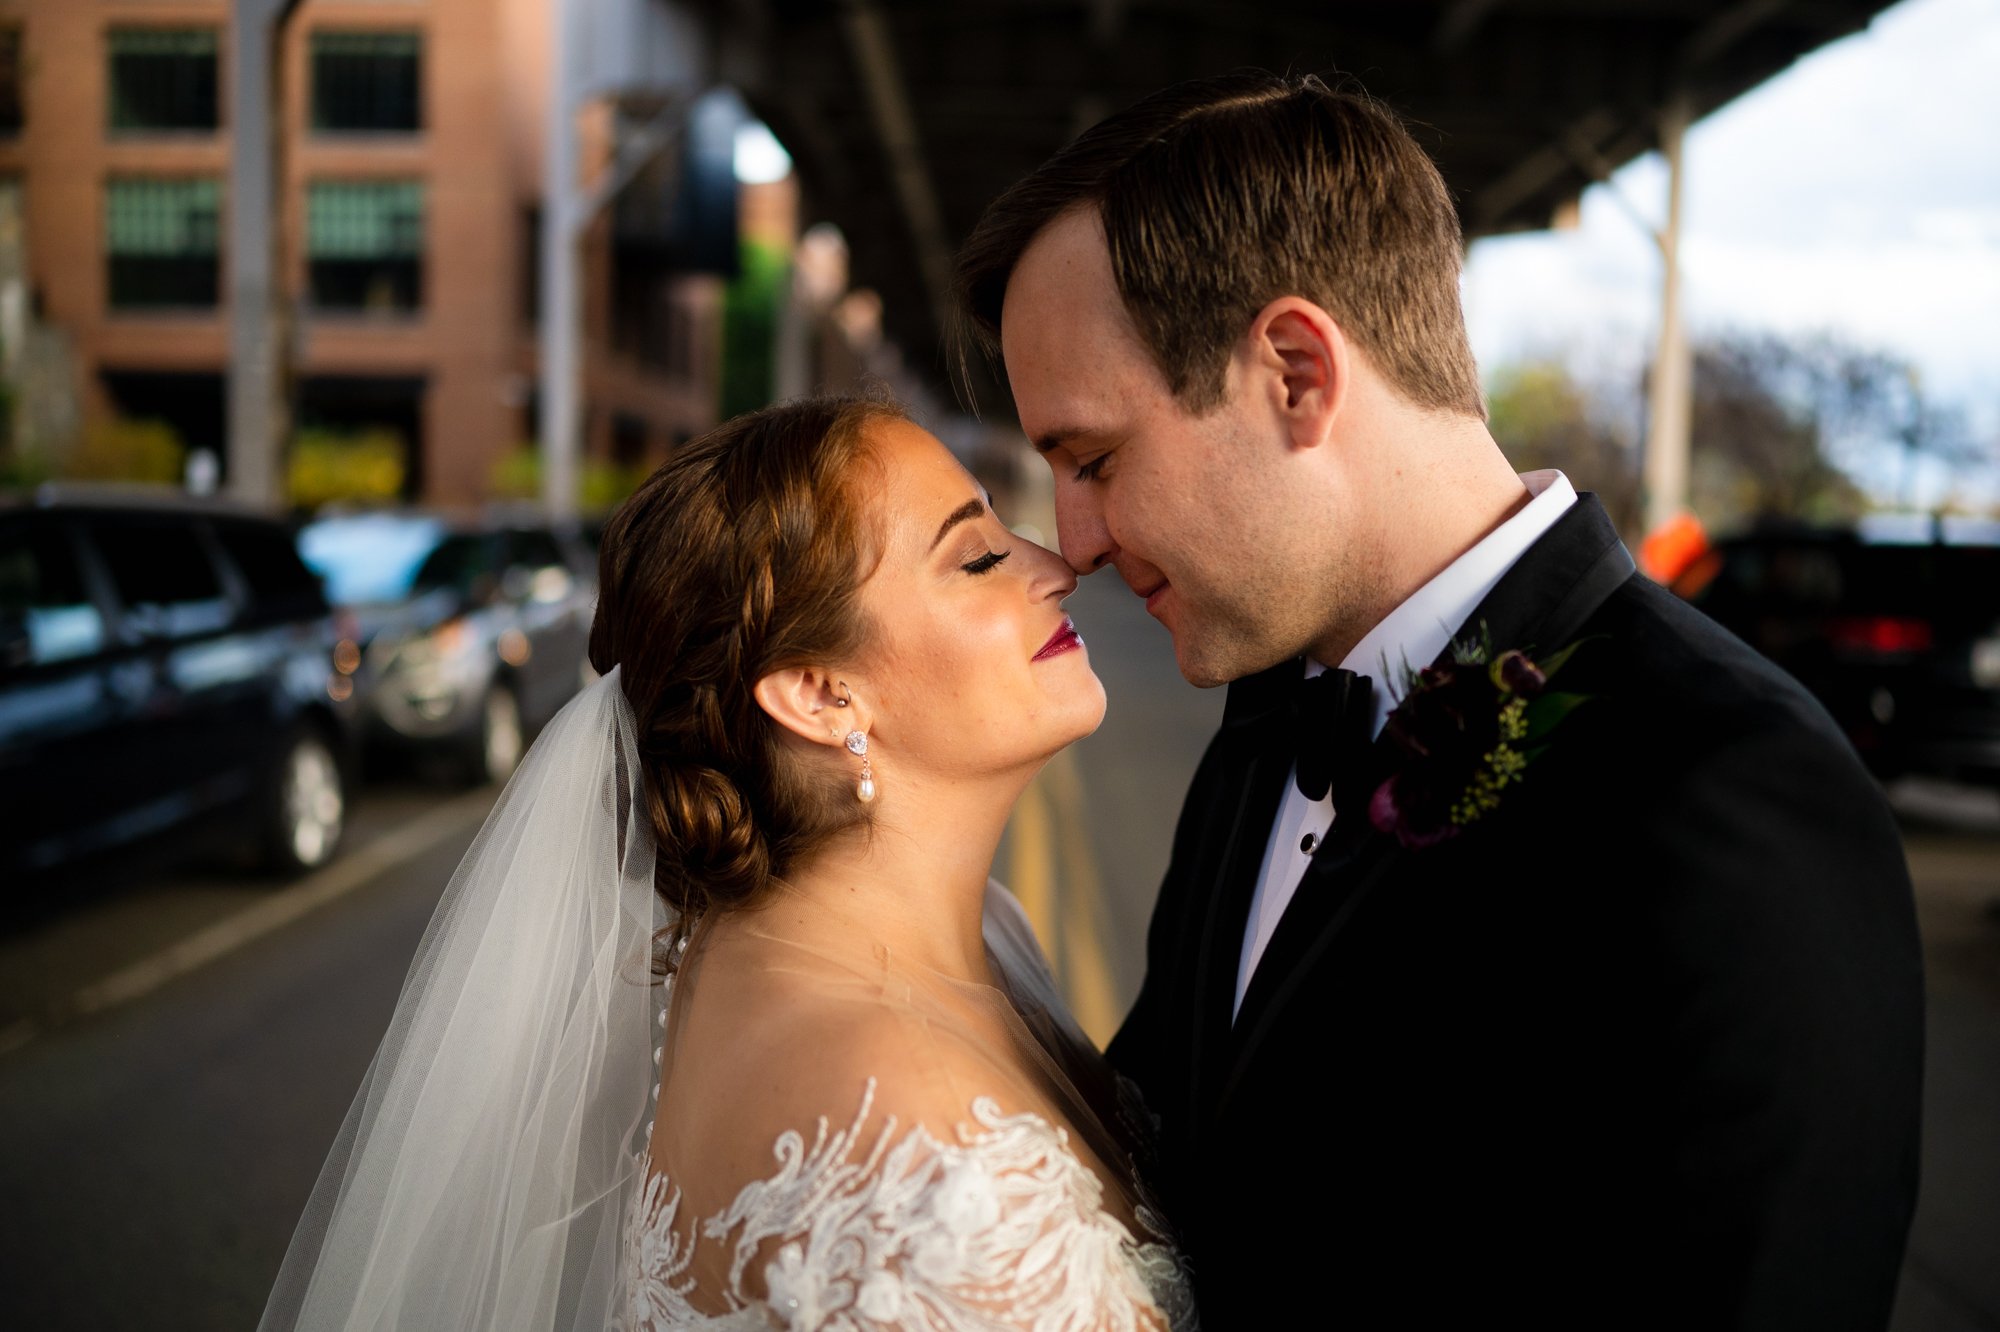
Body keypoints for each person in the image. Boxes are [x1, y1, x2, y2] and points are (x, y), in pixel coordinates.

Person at [954, 72, 1925, 1329]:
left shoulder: (1726, 790)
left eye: (1093, 460)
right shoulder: (1268, 719)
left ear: (1297, 373)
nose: (1071, 539)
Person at [258, 397, 1196, 1331]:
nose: (1057, 566)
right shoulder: (926, 1154)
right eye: (979, 557)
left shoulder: (913, 939)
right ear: (822, 695)